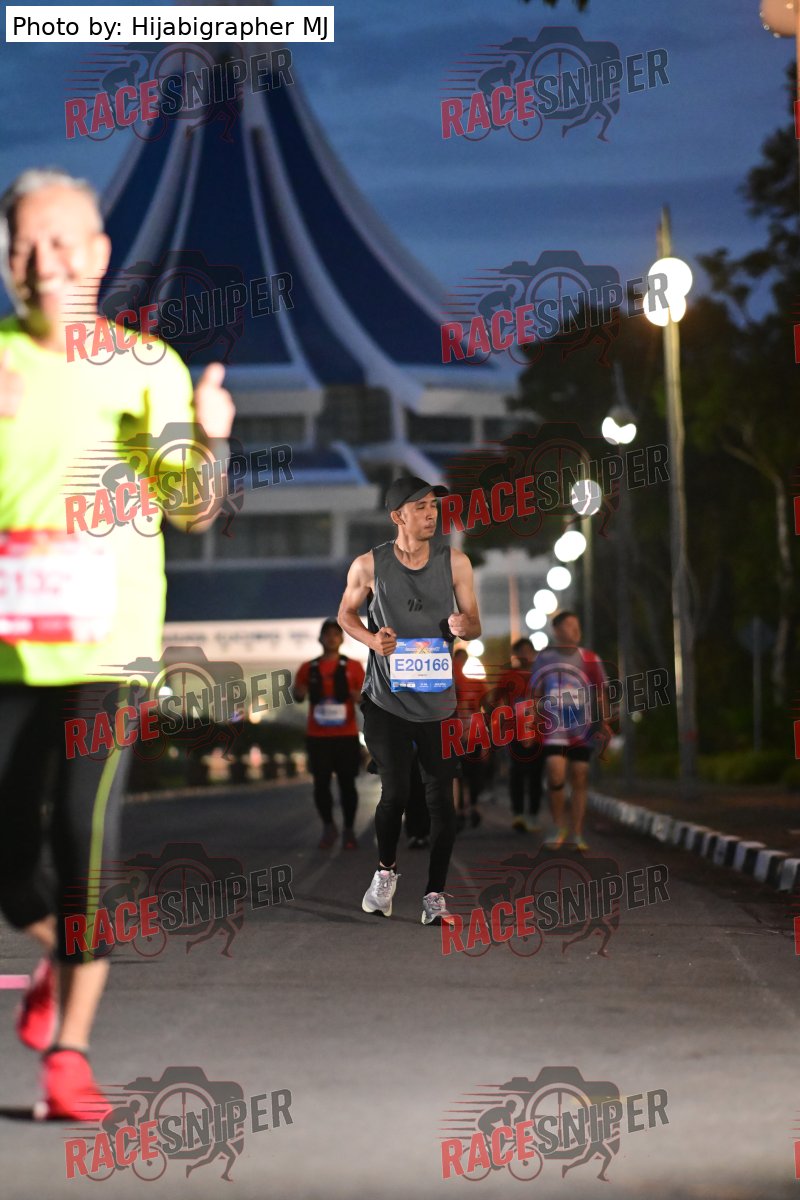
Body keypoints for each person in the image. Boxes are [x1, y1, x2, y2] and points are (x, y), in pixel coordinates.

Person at [0, 169, 234, 1119]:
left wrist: (208, 441)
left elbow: (193, 508)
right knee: (9, 859)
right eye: (24, 245)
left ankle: (71, 1052)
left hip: (109, 643)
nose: (43, 261)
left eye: (62, 242)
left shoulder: (147, 367)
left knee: (81, 831)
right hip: (9, 646)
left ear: (99, 256)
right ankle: (58, 955)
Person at [337, 475, 481, 925]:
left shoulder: (456, 563)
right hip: (386, 700)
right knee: (396, 790)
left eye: (434, 506)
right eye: (421, 507)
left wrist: (465, 627)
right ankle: (385, 873)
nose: (431, 514)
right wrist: (370, 639)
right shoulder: (369, 565)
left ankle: (435, 895)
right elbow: (345, 614)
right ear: (398, 516)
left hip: (438, 704)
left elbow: (475, 622)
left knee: (442, 802)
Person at [531, 611, 612, 849]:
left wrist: (605, 723)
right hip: (554, 728)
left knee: (579, 774)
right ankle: (558, 826)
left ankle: (577, 832)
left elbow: (600, 693)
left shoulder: (590, 659)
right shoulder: (544, 659)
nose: (575, 630)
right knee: (555, 773)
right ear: (556, 631)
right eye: (569, 625)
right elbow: (535, 694)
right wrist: (531, 722)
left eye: (577, 625)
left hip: (581, 729)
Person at [293, 619, 365, 849]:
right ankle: (328, 826)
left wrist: (357, 695)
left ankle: (349, 830)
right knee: (321, 784)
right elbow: (298, 695)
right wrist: (299, 691)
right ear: (320, 639)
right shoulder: (308, 667)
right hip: (318, 736)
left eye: (336, 634)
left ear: (342, 639)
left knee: (347, 785)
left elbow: (365, 698)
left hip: (346, 735)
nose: (332, 638)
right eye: (327, 634)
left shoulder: (353, 666)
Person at [489, 637, 543, 833]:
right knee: (517, 772)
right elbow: (496, 702)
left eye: (528, 650)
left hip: (539, 733)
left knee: (536, 774)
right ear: (516, 655)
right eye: (521, 651)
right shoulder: (508, 676)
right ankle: (518, 814)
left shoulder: (541, 675)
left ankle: (533, 815)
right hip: (515, 733)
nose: (525, 654)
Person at [452, 647, 489, 830]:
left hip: (471, 735)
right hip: (455, 735)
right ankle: (460, 809)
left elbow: (481, 712)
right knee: (459, 775)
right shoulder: (452, 683)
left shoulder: (474, 684)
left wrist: (484, 740)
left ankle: (470, 806)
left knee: (473, 775)